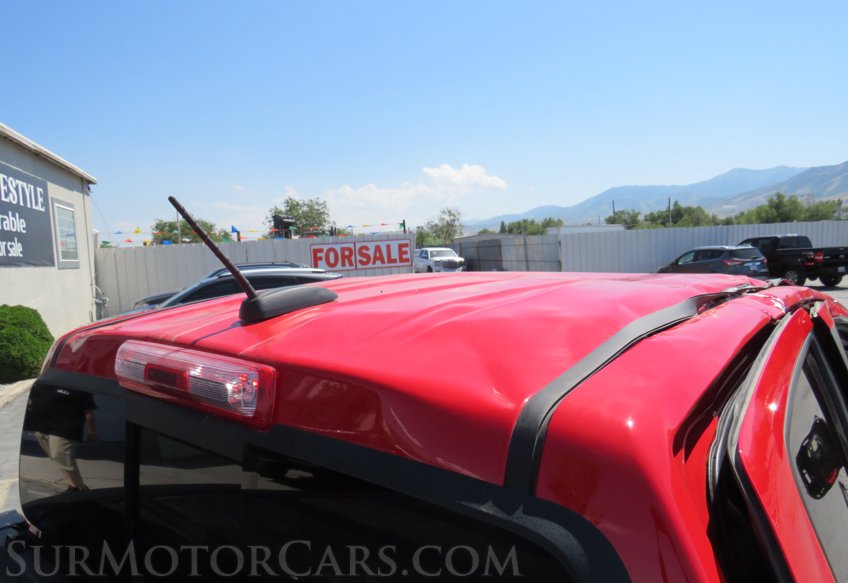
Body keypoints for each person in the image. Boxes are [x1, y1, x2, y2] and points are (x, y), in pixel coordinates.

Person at [25, 386, 98, 492]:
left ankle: (81, 489)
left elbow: (88, 412)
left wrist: (92, 432)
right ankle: (73, 485)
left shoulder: (80, 388)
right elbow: (31, 402)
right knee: (56, 458)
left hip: (64, 428)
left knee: (60, 456)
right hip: (41, 427)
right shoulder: (43, 384)